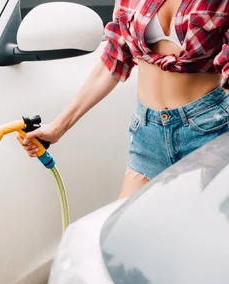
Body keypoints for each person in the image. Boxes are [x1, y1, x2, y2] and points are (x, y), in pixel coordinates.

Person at [18, 0, 229, 198]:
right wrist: (58, 127)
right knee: (126, 234)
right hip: (148, 136)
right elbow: (113, 59)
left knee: (205, 234)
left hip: (209, 133)